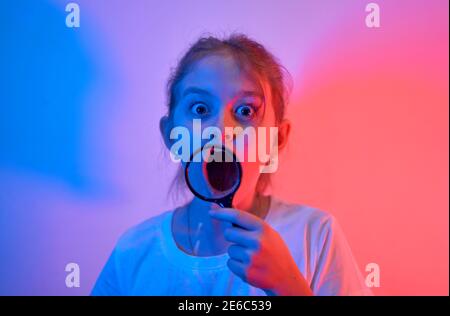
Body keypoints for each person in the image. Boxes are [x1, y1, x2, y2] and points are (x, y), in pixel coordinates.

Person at [91, 34, 371, 296]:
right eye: (200, 109)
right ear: (171, 135)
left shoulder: (316, 236)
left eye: (246, 111)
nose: (220, 130)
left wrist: (290, 286)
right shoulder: (133, 253)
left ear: (276, 140)